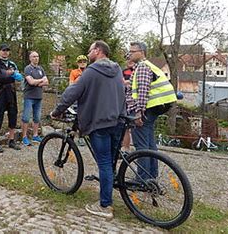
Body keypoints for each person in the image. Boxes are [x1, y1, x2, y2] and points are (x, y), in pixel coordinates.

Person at [50, 40, 126, 220]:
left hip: (100, 122)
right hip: (118, 120)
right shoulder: (117, 69)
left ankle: (105, 205)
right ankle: (109, 190)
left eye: (90, 50)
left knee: (105, 163)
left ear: (98, 51)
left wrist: (57, 111)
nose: (88, 52)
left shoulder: (92, 71)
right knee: (111, 161)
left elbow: (72, 92)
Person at [128, 42, 177, 179]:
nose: (130, 53)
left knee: (142, 145)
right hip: (157, 107)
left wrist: (139, 113)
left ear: (142, 52)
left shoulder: (143, 67)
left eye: (133, 51)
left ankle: (143, 178)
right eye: (129, 51)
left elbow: (143, 91)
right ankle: (151, 175)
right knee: (149, 143)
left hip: (147, 108)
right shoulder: (148, 66)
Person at [0, 43, 23, 153]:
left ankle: (11, 140)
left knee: (13, 115)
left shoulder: (12, 64)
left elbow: (19, 77)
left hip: (11, 92)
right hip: (1, 93)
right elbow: (1, 78)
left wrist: (10, 73)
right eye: (3, 50)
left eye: (7, 50)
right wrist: (11, 74)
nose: (5, 52)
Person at [21, 51, 49, 146]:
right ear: (30, 58)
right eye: (33, 56)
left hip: (38, 97)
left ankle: (35, 135)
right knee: (26, 117)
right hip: (29, 97)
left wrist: (36, 82)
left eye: (37, 56)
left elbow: (47, 82)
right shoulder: (28, 69)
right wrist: (40, 81)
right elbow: (31, 82)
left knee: (37, 117)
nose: (36, 58)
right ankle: (24, 137)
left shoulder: (41, 69)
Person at [122, 58, 136, 152]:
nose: (129, 61)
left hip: (135, 102)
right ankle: (125, 148)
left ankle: (138, 147)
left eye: (131, 60)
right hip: (124, 101)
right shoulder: (123, 71)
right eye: (127, 60)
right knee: (125, 127)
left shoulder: (138, 70)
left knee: (134, 126)